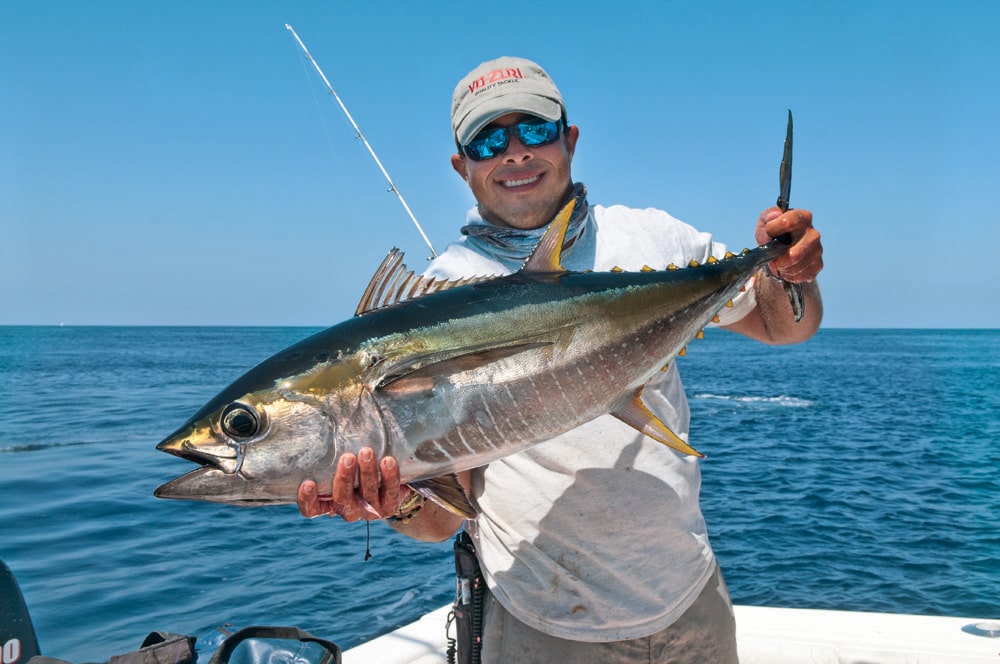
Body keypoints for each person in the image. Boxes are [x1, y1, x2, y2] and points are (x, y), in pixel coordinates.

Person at [298, 56, 823, 663]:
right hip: (541, 624)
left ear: (569, 139)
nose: (515, 152)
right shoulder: (441, 294)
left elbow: (787, 327)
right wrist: (401, 502)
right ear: (462, 165)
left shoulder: (655, 241)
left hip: (689, 597)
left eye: (536, 130)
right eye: (490, 139)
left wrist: (789, 272)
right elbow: (442, 522)